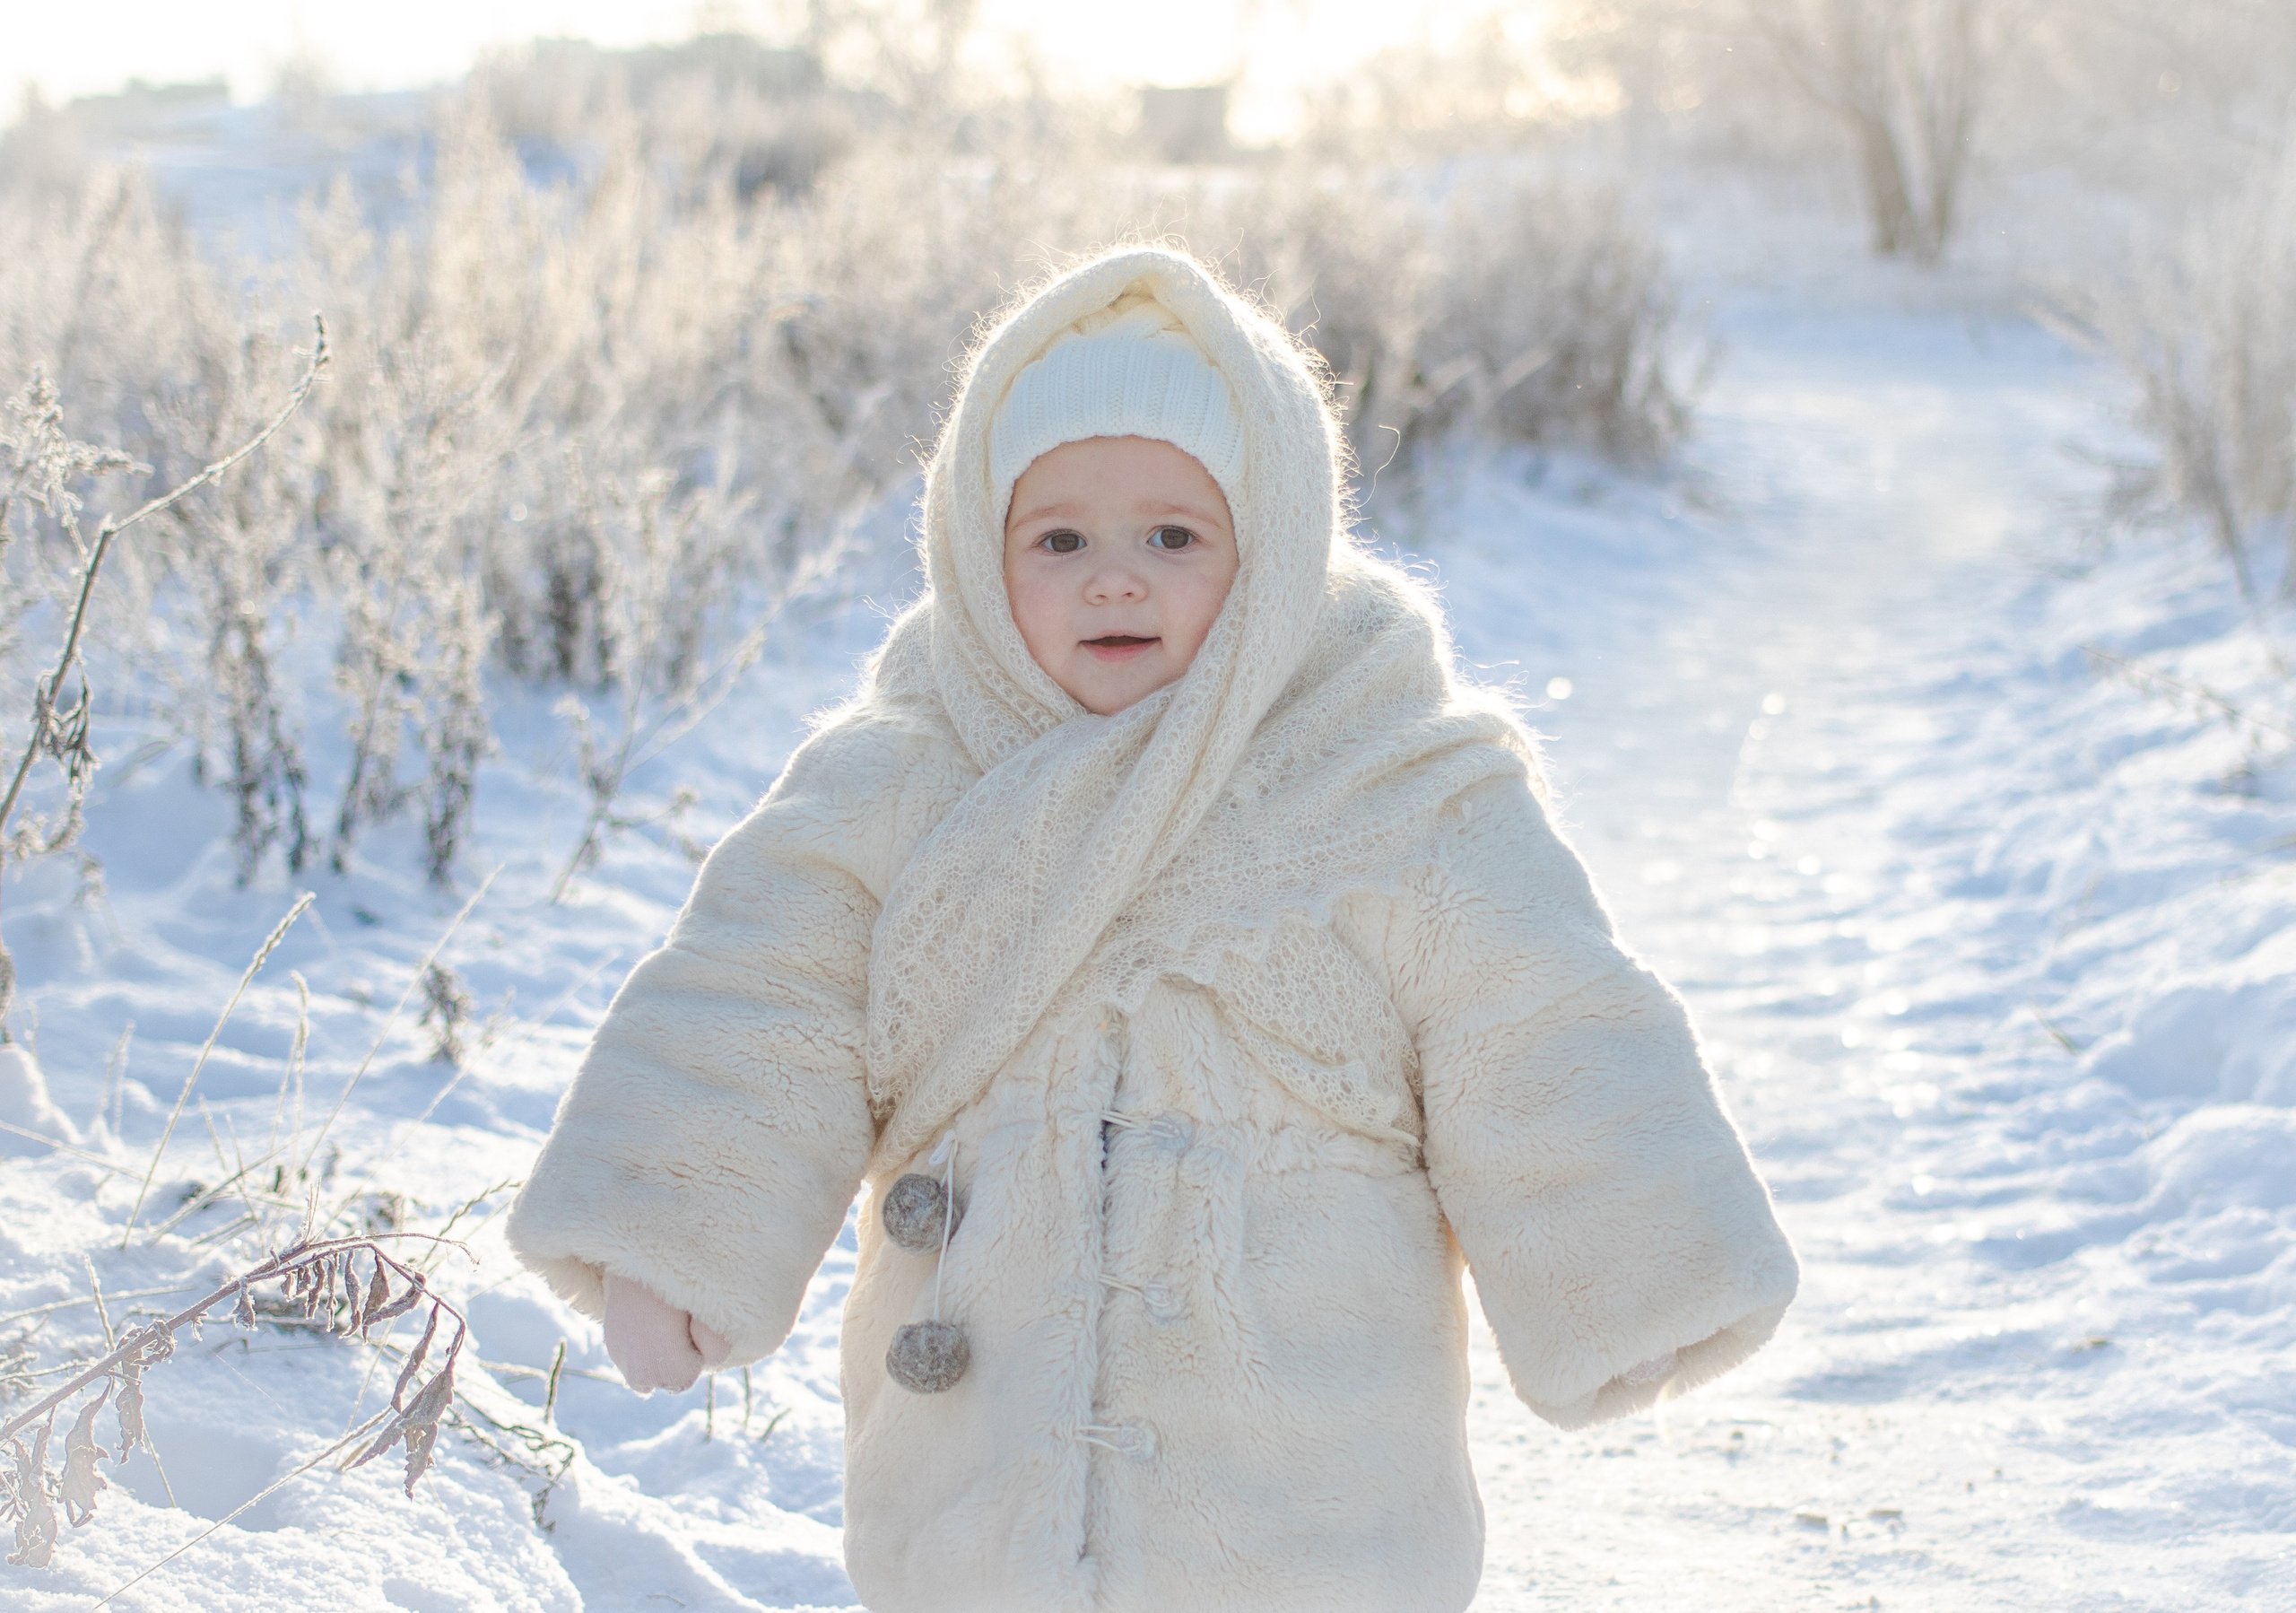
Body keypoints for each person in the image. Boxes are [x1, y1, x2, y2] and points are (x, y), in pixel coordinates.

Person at [506, 245, 1798, 1613]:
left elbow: (1533, 1014)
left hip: (1310, 1480)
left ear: (1275, 542)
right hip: (976, 1477)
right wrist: (672, 1233)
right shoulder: (901, 771)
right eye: (1059, 539)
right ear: (974, 546)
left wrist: (1636, 1263)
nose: (1112, 579)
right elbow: (762, 994)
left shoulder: (1389, 770)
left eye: (1172, 537)